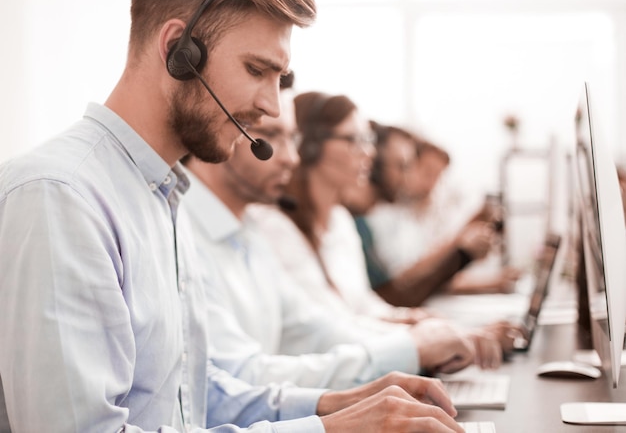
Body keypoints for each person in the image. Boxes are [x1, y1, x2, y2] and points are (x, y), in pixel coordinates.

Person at [0, 0, 465, 432]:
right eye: (256, 70)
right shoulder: (61, 196)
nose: (270, 105)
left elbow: (192, 399)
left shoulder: (162, 195)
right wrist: (332, 430)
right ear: (178, 50)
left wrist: (342, 402)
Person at [181, 90, 499, 393]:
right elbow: (240, 382)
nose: (291, 158)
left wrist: (418, 339)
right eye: (274, 136)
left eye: (293, 139)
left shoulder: (249, 231)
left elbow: (320, 328)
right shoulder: (244, 230)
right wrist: (411, 345)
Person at [249, 91, 517, 369]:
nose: (369, 152)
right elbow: (331, 329)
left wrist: (421, 322)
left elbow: (365, 307)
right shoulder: (275, 228)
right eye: (354, 139)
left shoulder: (340, 221)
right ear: (310, 147)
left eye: (368, 140)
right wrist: (425, 340)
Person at [344, 122, 521, 307]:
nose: (407, 178)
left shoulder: (402, 217)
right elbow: (398, 290)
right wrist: (461, 250)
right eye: (402, 166)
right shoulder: (367, 220)